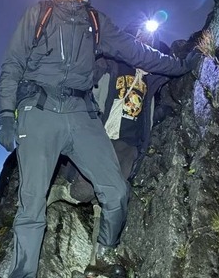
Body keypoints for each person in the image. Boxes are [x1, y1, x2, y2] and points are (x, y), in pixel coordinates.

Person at [0, 0, 199, 278]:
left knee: (116, 190)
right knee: (32, 203)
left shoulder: (96, 22)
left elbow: (138, 53)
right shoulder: (38, 13)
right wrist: (7, 114)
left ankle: (104, 253)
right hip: (39, 111)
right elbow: (12, 64)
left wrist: (181, 65)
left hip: (81, 114)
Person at [53, 23, 176, 204]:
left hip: (130, 142)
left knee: (116, 185)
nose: (144, 42)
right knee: (86, 188)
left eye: (149, 41)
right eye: (139, 37)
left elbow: (171, 69)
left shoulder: (150, 78)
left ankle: (98, 210)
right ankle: (63, 193)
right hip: (104, 133)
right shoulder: (112, 63)